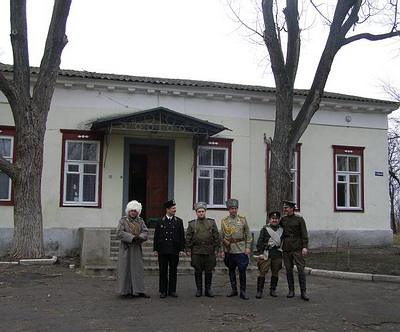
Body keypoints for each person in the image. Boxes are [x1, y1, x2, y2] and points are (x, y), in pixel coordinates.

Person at [185, 202, 220, 297]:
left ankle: (208, 289)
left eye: (203, 211)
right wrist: (188, 249)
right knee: (198, 270)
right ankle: (199, 289)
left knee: (209, 270)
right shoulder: (192, 224)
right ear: (196, 212)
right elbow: (188, 237)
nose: (201, 213)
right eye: (199, 211)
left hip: (209, 250)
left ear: (205, 212)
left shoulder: (211, 223)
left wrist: (217, 248)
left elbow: (216, 236)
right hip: (196, 250)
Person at [116, 200, 150, 298]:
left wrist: (141, 237)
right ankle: (127, 291)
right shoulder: (123, 221)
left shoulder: (140, 221)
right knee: (125, 269)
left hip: (136, 248)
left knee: (137, 269)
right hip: (126, 248)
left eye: (135, 211)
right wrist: (131, 237)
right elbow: (119, 232)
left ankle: (140, 290)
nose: (133, 213)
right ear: (128, 211)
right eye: (132, 211)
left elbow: (145, 231)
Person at [220, 198, 252, 300]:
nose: (234, 210)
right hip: (229, 249)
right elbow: (222, 237)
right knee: (231, 269)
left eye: (235, 208)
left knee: (242, 269)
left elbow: (248, 234)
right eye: (232, 209)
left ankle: (243, 291)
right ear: (228, 210)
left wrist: (248, 247)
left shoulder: (242, 220)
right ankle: (234, 289)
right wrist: (222, 250)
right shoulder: (224, 221)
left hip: (241, 248)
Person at [152, 199, 185, 298]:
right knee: (163, 271)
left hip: (174, 250)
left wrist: (181, 249)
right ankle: (163, 291)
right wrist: (155, 249)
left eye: (175, 208)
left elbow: (181, 236)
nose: (175, 210)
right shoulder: (160, 221)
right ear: (167, 209)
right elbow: (156, 236)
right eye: (173, 208)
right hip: (163, 250)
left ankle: (172, 291)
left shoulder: (178, 221)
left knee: (173, 271)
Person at [280, 200, 310, 301]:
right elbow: (279, 231)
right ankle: (291, 290)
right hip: (287, 246)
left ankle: (303, 291)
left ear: (292, 208)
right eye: (284, 208)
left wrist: (304, 247)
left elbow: (304, 234)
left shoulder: (299, 219)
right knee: (288, 268)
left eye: (286, 208)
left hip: (297, 246)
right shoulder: (283, 220)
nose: (285, 209)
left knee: (301, 268)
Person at [254, 211, 284, 299]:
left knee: (275, 272)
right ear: (270, 220)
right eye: (273, 219)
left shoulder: (281, 230)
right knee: (263, 271)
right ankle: (259, 291)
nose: (275, 220)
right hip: (266, 253)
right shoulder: (265, 229)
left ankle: (273, 290)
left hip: (277, 253)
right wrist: (260, 253)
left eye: (276, 219)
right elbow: (260, 241)